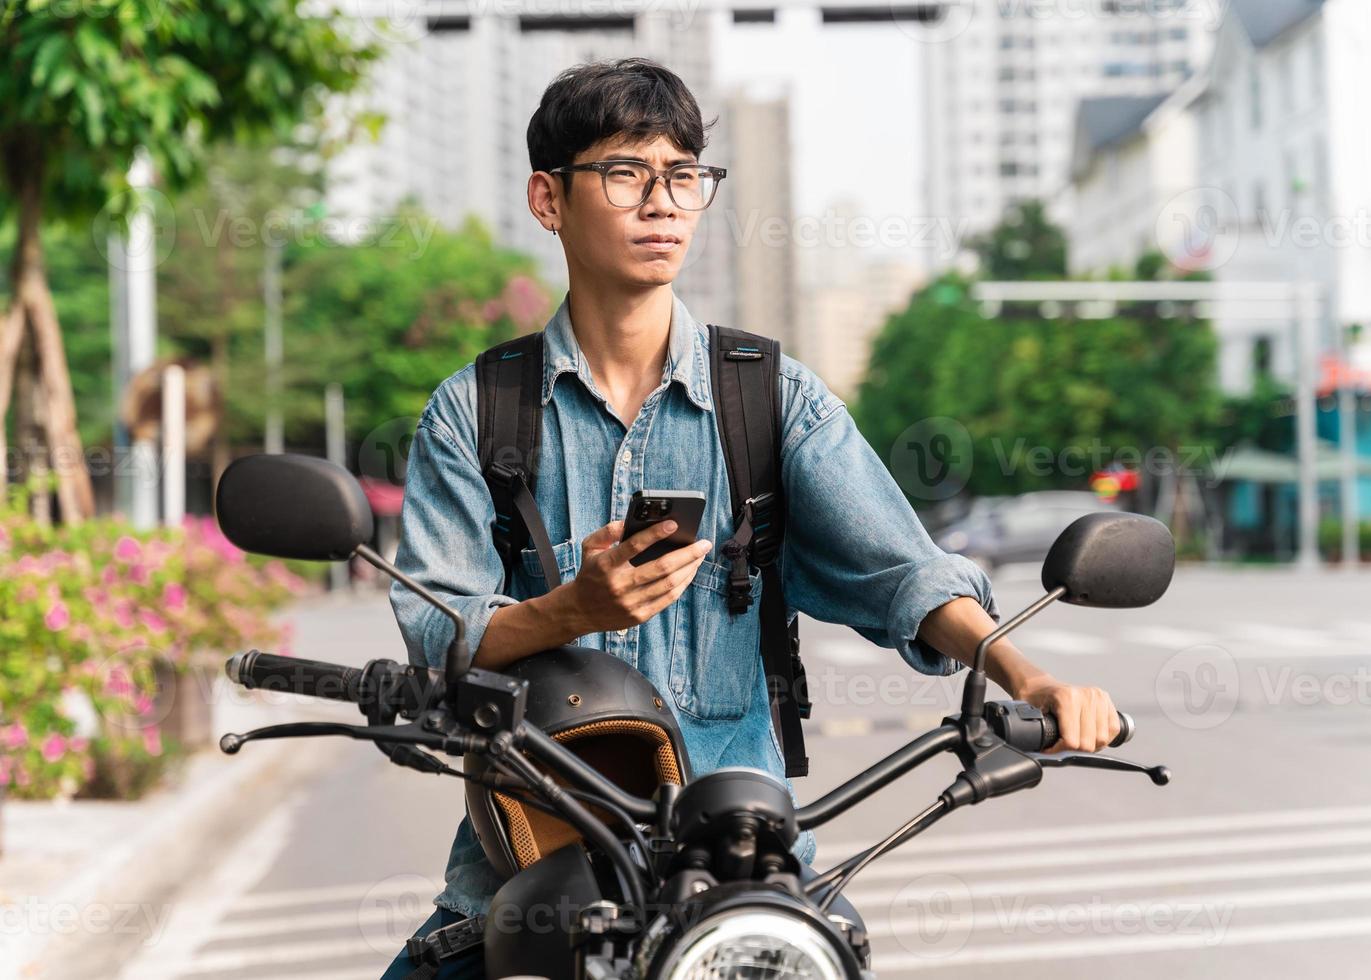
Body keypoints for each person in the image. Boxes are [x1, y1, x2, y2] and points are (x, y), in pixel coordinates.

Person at [382, 57, 1122, 978]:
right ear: (549, 198)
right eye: (625, 173)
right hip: (533, 870)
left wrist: (1028, 675)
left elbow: (906, 572)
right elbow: (432, 628)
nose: (663, 202)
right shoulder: (476, 411)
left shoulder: (769, 398)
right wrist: (571, 611)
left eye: (684, 175)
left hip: (742, 873)